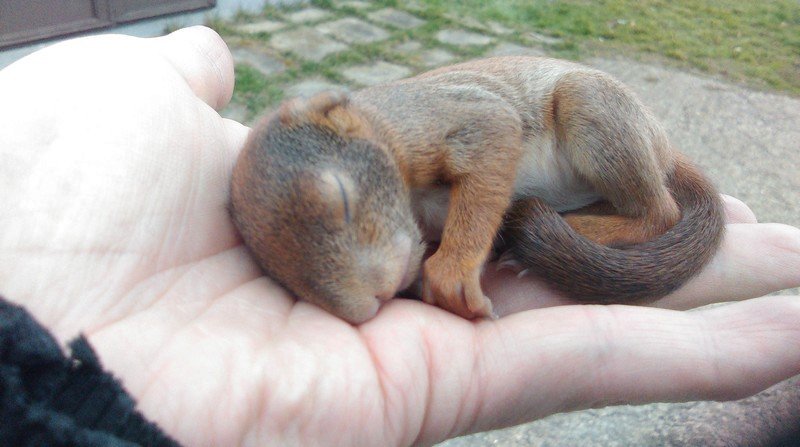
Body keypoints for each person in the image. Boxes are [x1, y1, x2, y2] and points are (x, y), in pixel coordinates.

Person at [1, 26, 799, 446]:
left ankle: (647, 218)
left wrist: (459, 251)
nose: (370, 294)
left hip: (554, 116)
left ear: (345, 125)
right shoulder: (355, 207)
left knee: (588, 103)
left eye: (345, 206)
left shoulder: (391, 125)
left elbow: (490, 131)